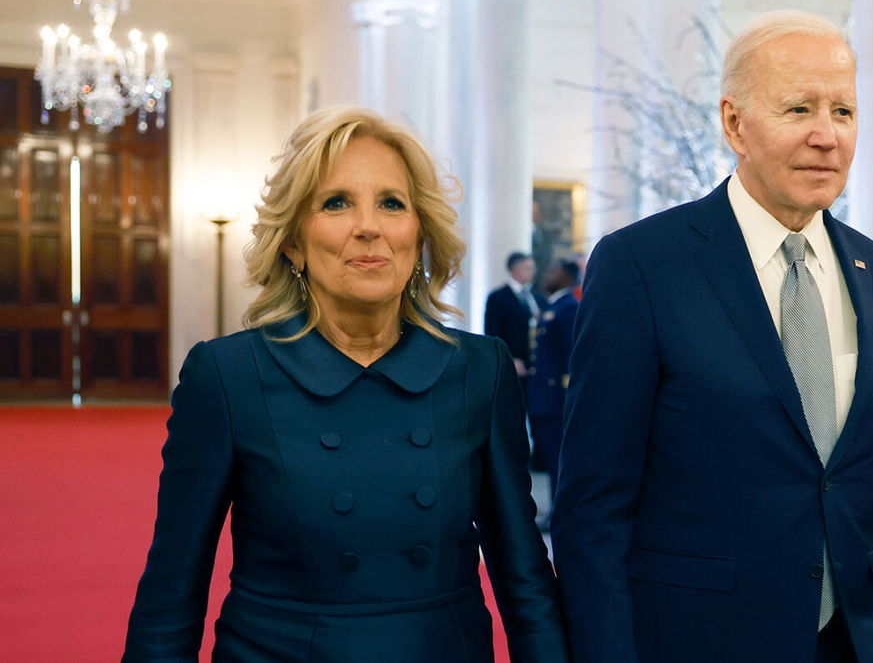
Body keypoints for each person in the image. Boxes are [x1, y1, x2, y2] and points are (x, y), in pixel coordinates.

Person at [123, 106, 567, 662]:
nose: (369, 226)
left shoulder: (480, 370)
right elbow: (172, 591)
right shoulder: (229, 376)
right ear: (292, 243)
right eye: (336, 203)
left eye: (391, 203)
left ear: (419, 234)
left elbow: (524, 577)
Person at [552, 10, 873, 662]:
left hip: (856, 642)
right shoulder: (642, 266)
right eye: (798, 109)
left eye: (843, 110)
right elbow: (592, 509)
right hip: (697, 638)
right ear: (734, 124)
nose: (827, 136)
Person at [526, 259, 580, 499]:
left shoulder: (568, 308)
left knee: (558, 457)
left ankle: (560, 506)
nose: (548, 275)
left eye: (554, 271)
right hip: (543, 396)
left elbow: (571, 356)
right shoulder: (552, 306)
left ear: (568, 277)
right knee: (549, 456)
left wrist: (566, 394)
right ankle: (554, 503)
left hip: (556, 397)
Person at [485, 252, 540, 383]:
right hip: (512, 363)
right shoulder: (498, 297)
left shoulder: (534, 296)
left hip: (533, 364)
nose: (532, 272)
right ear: (515, 269)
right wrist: (509, 359)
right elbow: (492, 333)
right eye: (528, 268)